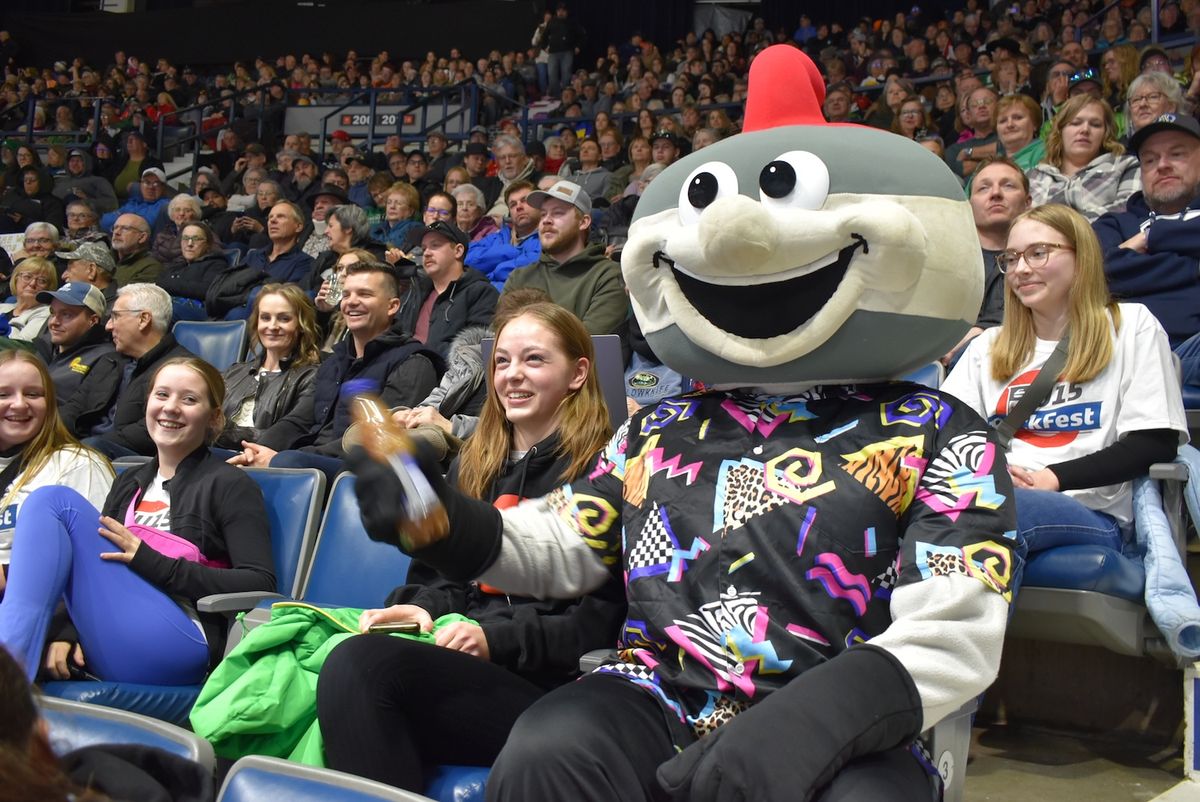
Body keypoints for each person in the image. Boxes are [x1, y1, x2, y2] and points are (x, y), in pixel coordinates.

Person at [318, 301, 625, 792]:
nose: (512, 376)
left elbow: (600, 623)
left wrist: (494, 640)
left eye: (535, 360)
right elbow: (438, 580)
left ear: (578, 373)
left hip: (550, 688)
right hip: (460, 661)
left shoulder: (605, 474)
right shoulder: (472, 464)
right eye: (502, 361)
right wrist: (421, 611)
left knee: (361, 669)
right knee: (345, 661)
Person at [0, 356, 275, 684]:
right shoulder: (129, 481)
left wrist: (151, 561)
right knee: (50, 504)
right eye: (161, 395)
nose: (170, 408)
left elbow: (260, 583)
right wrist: (66, 632)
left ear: (214, 417)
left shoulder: (229, 484)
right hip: (119, 628)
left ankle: (8, 686)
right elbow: (95, 569)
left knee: (51, 501)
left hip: (182, 637)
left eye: (189, 399)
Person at [943, 203, 1185, 568]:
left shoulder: (1131, 325)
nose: (1021, 269)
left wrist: (1052, 478)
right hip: (986, 491)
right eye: (1011, 258)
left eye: (1038, 253)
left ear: (1081, 255)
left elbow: (1153, 441)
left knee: (991, 511)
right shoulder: (987, 346)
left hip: (1087, 507)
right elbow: (947, 438)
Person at [230, 260, 438, 485]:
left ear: (392, 306)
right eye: (346, 295)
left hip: (359, 470)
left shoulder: (413, 362)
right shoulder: (334, 362)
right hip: (311, 461)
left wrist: (281, 458)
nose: (352, 302)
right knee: (216, 456)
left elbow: (376, 438)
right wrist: (258, 450)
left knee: (289, 461)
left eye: (365, 294)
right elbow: (299, 420)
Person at [0, 350, 113, 595]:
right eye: (3, 394)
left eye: (33, 394)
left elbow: (101, 563)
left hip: (47, 617)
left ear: (50, 403)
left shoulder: (79, 464)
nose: (19, 404)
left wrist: (11, 575)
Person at [1095, 112, 1200, 367]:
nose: (1162, 165)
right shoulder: (1113, 224)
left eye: (1177, 154)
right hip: (1127, 358)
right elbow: (1098, 272)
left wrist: (1151, 238)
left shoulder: (1132, 236)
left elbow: (1120, 267)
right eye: (1150, 159)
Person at [61, 283, 195, 459]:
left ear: (143, 319)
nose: (108, 326)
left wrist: (81, 449)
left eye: (115, 316)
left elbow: (151, 430)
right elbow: (74, 406)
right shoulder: (109, 360)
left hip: (131, 461)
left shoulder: (181, 370)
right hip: (84, 450)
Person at [502, 180, 628, 337]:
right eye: (543, 214)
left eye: (557, 213)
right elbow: (501, 338)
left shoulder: (608, 275)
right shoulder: (519, 277)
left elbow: (586, 343)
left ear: (583, 222)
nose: (546, 220)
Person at [945, 157, 1033, 366]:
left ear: (1028, 202)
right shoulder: (944, 260)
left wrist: (982, 330)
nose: (995, 193)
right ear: (969, 205)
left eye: (1008, 185)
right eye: (983, 188)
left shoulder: (1044, 259)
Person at [216, 284, 321, 450]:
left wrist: (221, 432)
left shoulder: (311, 377)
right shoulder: (235, 371)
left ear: (301, 325)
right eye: (265, 317)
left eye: (284, 318)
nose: (272, 326)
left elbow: (288, 435)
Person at [1027, 94, 1141, 222]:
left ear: (1106, 133)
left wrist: (1059, 225)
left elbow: (1127, 211)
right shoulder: (1032, 176)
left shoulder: (1127, 166)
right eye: (1075, 123)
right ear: (1060, 130)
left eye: (1095, 124)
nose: (1085, 130)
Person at [401, 220, 498, 360]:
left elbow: (476, 353)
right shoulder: (416, 291)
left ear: (458, 251)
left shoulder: (482, 293)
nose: (427, 253)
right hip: (402, 370)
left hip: (446, 377)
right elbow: (396, 333)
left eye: (435, 246)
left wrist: (421, 354)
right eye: (423, 249)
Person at [38, 282, 114, 406]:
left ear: (93, 320)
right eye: (52, 312)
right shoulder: (43, 348)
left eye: (66, 314)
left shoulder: (105, 358)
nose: (54, 322)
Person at [465, 181, 543, 290]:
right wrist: (511, 251)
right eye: (513, 204)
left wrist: (491, 272)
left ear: (539, 205)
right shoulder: (500, 235)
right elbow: (466, 258)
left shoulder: (546, 239)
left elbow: (527, 272)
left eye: (524, 201)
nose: (518, 207)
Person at [157, 222, 227, 322]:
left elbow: (206, 290)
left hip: (199, 311)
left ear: (208, 244)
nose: (189, 244)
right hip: (172, 305)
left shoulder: (216, 263)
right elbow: (160, 282)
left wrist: (173, 282)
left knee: (166, 310)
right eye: (185, 238)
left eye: (196, 239)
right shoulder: (177, 265)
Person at [110, 212, 163, 286]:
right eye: (115, 227)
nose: (116, 232)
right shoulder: (106, 258)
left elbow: (127, 296)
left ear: (142, 237)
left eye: (125, 228)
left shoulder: (151, 267)